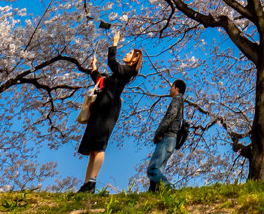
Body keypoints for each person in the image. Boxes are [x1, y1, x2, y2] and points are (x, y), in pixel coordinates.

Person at [76, 32, 143, 193]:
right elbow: (101, 81)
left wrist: (114, 43)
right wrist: (94, 68)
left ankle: (92, 182)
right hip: (99, 111)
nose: (126, 54)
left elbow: (112, 62)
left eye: (129, 53)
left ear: (134, 60)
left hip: (107, 112)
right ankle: (86, 184)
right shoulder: (118, 75)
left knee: (99, 146)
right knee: (92, 148)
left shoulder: (127, 71)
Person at [147, 78, 186, 192]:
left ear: (177, 89)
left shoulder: (177, 100)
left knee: (152, 169)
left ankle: (168, 188)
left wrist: (159, 132)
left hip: (167, 138)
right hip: (172, 140)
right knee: (159, 169)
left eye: (172, 86)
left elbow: (171, 116)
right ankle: (153, 192)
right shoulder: (181, 101)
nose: (169, 89)